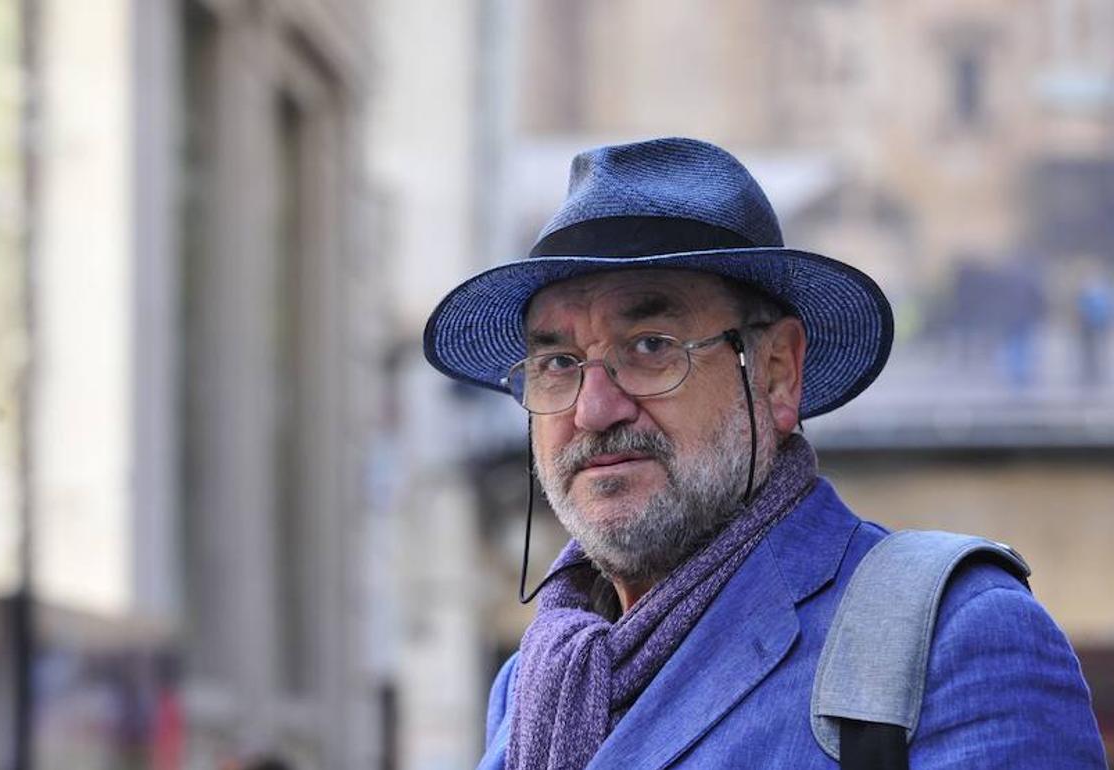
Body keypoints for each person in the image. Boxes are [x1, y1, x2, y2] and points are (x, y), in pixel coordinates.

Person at [422, 138, 1106, 769]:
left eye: (651, 346)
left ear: (777, 371)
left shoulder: (955, 638)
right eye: (559, 362)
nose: (593, 409)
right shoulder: (534, 683)